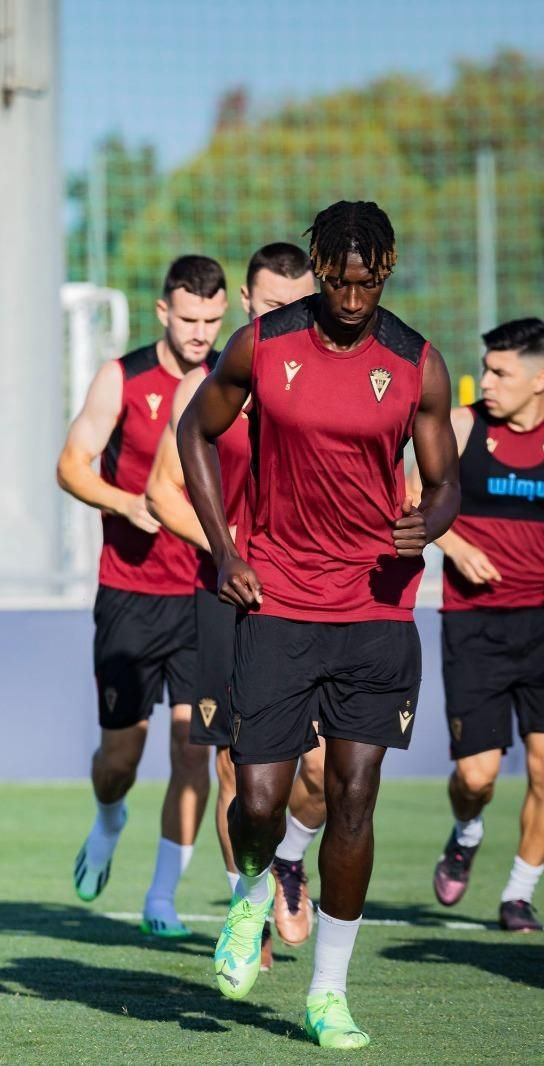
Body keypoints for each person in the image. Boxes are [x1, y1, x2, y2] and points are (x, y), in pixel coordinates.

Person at [179, 200, 458, 1049]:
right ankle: (253, 890)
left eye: (366, 281)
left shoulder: (417, 362)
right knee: (258, 800)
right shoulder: (264, 345)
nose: (350, 295)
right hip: (278, 603)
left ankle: (328, 994)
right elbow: (199, 429)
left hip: (375, 608)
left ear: (389, 268)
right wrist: (225, 548)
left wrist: (432, 522)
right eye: (337, 279)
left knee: (354, 794)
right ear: (318, 266)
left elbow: (447, 479)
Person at [145, 243, 325, 959]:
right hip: (225, 598)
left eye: (298, 305)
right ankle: (245, 911)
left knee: (317, 771)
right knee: (231, 768)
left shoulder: (334, 380)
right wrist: (229, 552)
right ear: (247, 305)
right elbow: (163, 491)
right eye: (272, 305)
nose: (285, 318)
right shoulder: (214, 386)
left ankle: (290, 856)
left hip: (313, 598)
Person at [56, 255, 226, 936]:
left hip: (202, 599)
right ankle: (107, 819)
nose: (201, 333)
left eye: (214, 320)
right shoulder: (122, 378)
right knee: (120, 758)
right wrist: (127, 502)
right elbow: (71, 464)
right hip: (129, 596)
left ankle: (161, 898)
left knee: (192, 748)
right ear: (163, 312)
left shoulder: (229, 382)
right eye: (189, 319)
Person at [429, 316, 544, 932]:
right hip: (475, 625)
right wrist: (454, 544)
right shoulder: (463, 425)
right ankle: (467, 831)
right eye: (487, 368)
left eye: (502, 372)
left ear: (541, 379)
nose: (487, 381)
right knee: (476, 776)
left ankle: (518, 894)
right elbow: (404, 498)